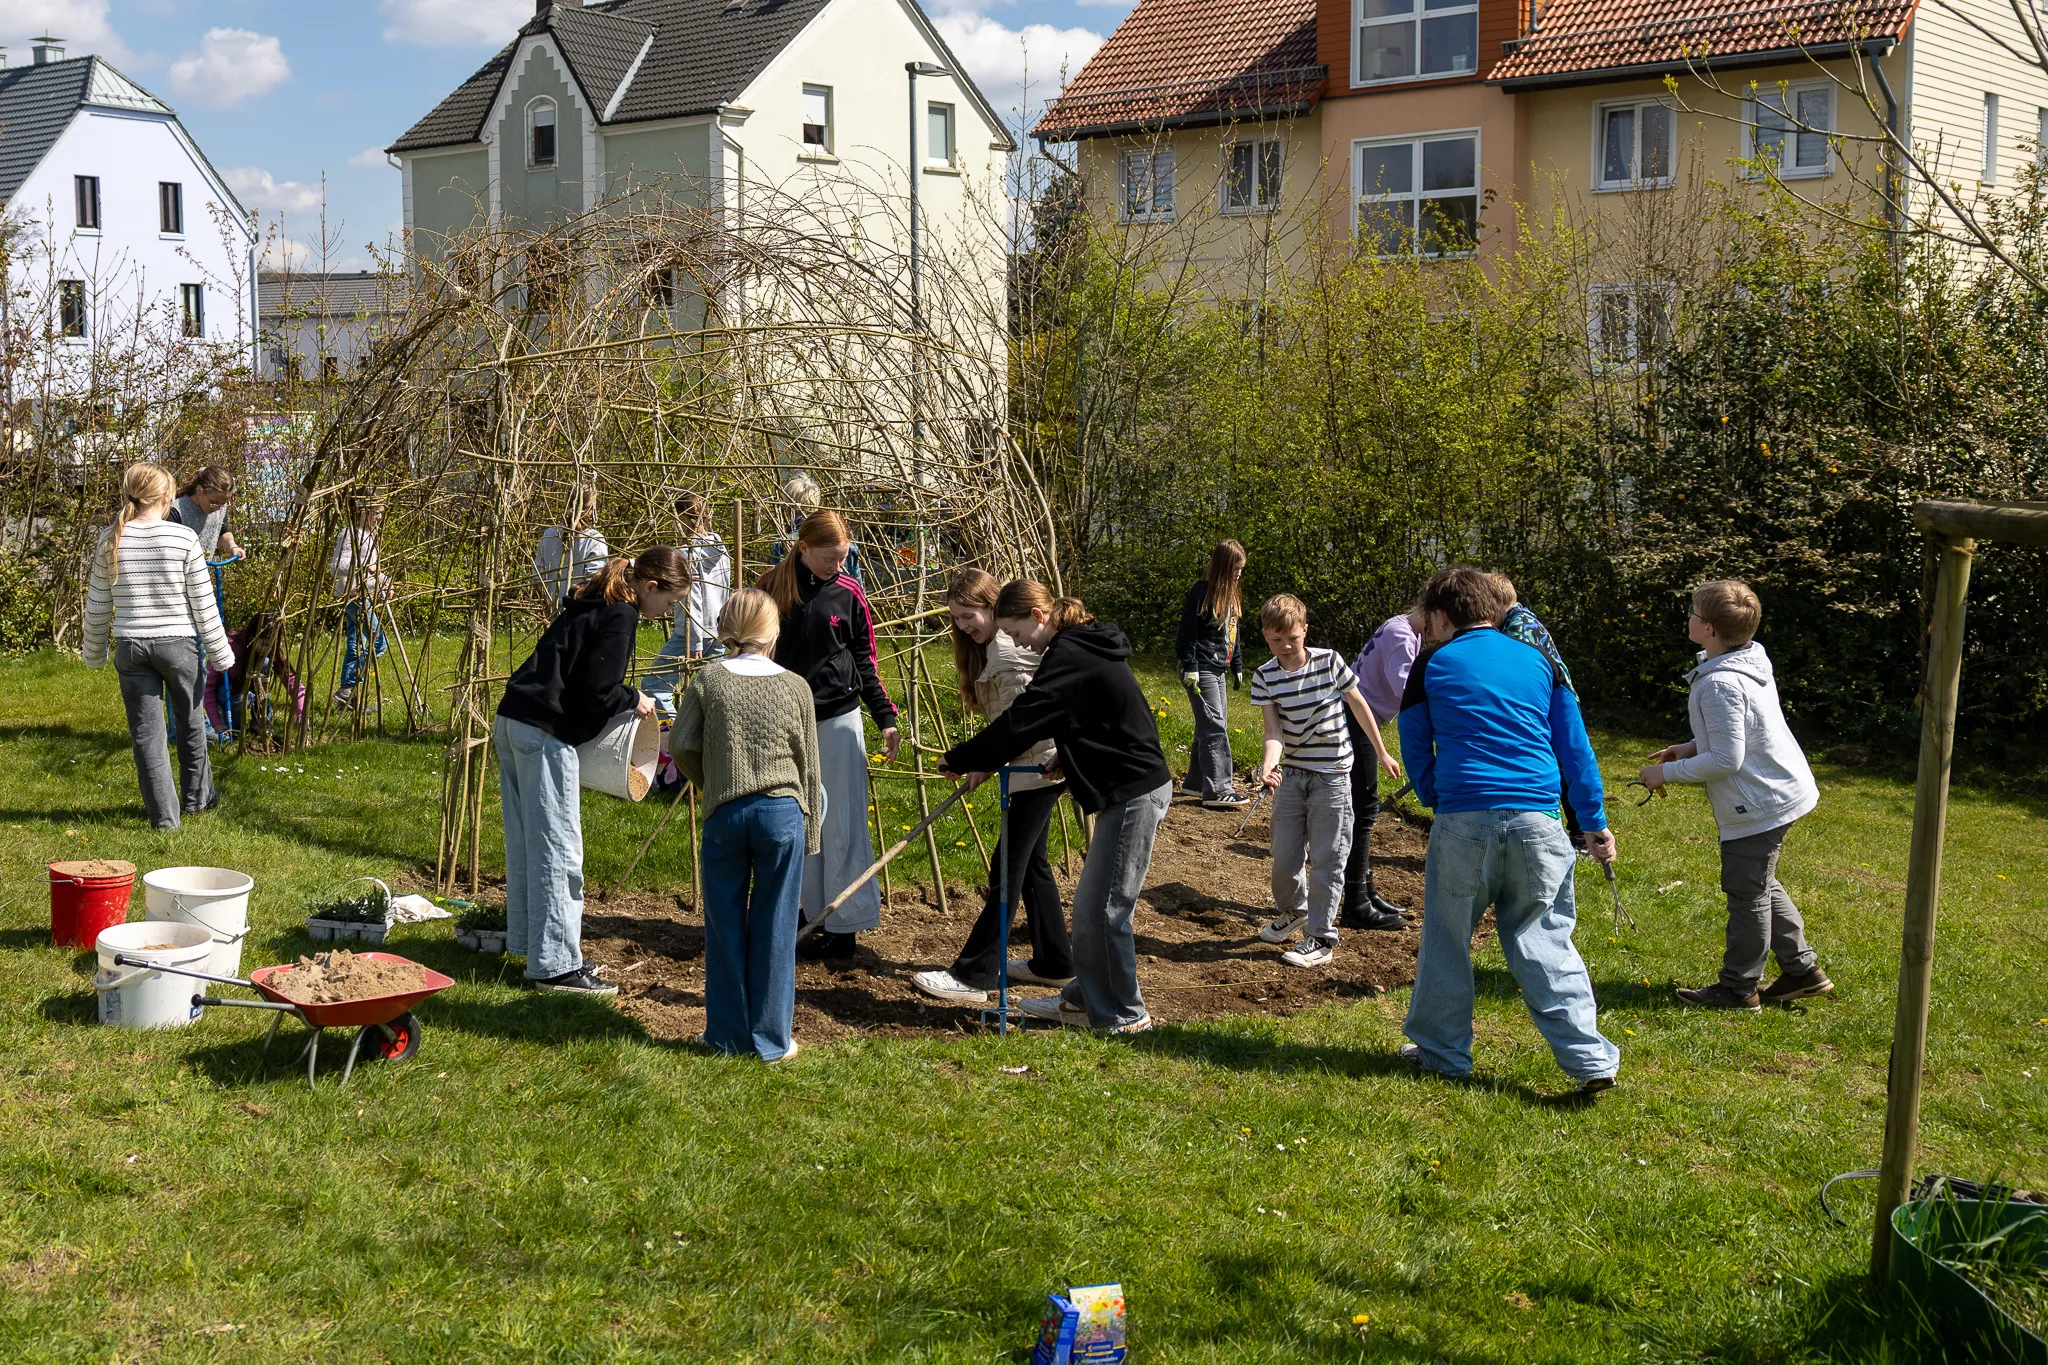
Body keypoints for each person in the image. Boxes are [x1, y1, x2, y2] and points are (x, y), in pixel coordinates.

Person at [1397, 566, 1619, 1094]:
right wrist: (1593, 823)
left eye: (1427, 619)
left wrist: (1436, 798)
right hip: (1539, 823)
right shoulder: (1542, 661)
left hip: (1462, 822)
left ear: (1443, 616)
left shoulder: (1430, 664)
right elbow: (1575, 749)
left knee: (1448, 941)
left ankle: (1441, 1054)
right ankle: (1591, 1060)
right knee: (1546, 941)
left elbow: (1414, 746)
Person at [941, 582, 1172, 1034]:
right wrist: (1067, 753)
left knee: (1103, 911)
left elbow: (1021, 721)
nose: (1018, 641)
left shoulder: (1070, 654)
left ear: (1037, 615)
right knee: (1093, 908)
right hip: (1125, 790)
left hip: (1133, 792)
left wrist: (965, 756)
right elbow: (1098, 713)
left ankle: (1126, 1015)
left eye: (1016, 629)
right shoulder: (1080, 646)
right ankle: (1083, 1000)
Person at [496, 548, 687, 995]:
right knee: (560, 850)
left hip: (513, 718)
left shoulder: (596, 598)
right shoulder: (622, 615)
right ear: (650, 587)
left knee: (527, 841)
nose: (669, 612)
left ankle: (529, 943)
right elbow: (596, 693)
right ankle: (556, 966)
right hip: (543, 728)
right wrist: (632, 699)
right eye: (671, 602)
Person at [1640, 580, 1831, 1009]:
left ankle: (1738, 989)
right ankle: (1803, 972)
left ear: (1708, 628)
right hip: (1781, 789)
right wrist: (1689, 747)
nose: (1687, 616)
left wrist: (1664, 772)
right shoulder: (1746, 659)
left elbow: (1727, 759)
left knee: (1747, 893)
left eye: (1692, 611)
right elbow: (1742, 732)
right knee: (1759, 883)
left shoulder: (1720, 682)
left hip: (1760, 801)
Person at [669, 588, 822, 1061]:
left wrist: (712, 781)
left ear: (723, 629)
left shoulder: (708, 680)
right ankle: (772, 1040)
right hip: (782, 815)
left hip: (726, 813)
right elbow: (809, 766)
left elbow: (680, 745)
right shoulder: (796, 685)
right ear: (773, 632)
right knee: (776, 926)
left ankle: (727, 1036)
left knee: (723, 926)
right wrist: (810, 829)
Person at [912, 569, 1074, 1005]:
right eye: (957, 618)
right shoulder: (990, 650)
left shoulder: (1004, 652)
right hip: (1032, 767)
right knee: (1032, 866)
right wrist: (989, 760)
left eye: (970, 615)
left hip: (1038, 769)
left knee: (1006, 868)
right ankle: (1055, 963)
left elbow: (1024, 726)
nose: (964, 625)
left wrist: (983, 758)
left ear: (993, 607)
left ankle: (976, 974)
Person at [760, 509, 900, 959]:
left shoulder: (848, 591)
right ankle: (803, 910)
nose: (836, 566)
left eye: (842, 558)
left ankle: (845, 921)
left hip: (839, 718)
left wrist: (886, 717)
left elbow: (865, 657)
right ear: (802, 548)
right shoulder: (770, 589)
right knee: (794, 819)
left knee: (842, 820)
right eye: (828, 558)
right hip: (785, 720)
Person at [1249, 594, 1401, 968]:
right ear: (1266, 636)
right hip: (1293, 775)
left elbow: (1359, 706)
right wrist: (1269, 766)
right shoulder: (1264, 676)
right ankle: (1295, 909)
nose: (1285, 646)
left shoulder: (1330, 661)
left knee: (1327, 858)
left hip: (1332, 775)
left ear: (1305, 630)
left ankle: (1320, 937)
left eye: (1292, 638)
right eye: (1275, 639)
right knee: (1283, 857)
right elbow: (1274, 732)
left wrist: (1381, 752)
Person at [80, 463, 235, 830]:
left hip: (131, 648)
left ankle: (166, 821)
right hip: (178, 646)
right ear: (167, 498)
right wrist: (220, 653)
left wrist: (94, 652)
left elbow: (98, 604)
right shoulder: (183, 540)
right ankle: (196, 803)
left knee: (147, 736)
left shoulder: (110, 539)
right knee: (191, 725)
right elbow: (203, 603)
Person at [1342, 601, 1425, 929]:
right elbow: (1407, 694)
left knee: (1363, 807)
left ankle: (1365, 887)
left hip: (1360, 715)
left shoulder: (1405, 627)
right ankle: (1355, 902)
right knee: (1364, 808)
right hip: (1354, 717)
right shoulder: (1404, 638)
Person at [1174, 539, 1248, 810]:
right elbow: (1186, 633)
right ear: (1223, 566)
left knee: (1210, 723)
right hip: (1200, 667)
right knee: (1214, 725)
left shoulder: (1232, 595)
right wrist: (1190, 665)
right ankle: (1219, 789)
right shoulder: (1201, 592)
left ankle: (1195, 782)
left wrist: (1237, 665)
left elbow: (1233, 635)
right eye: (1235, 568)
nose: (1239, 574)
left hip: (1218, 668)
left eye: (1242, 569)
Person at [645, 493, 728, 713]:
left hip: (691, 632)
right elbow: (725, 589)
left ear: (682, 518)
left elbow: (694, 597)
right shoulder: (721, 549)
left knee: (654, 686)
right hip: (718, 629)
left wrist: (695, 642)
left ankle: (671, 733)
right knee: (709, 690)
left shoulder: (686, 553)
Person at [330, 501, 389, 708]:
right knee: (379, 643)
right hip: (355, 597)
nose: (379, 518)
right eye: (376, 513)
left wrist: (386, 583)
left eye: (381, 514)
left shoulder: (370, 535)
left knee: (356, 647)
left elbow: (373, 570)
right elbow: (337, 566)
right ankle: (348, 688)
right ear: (363, 512)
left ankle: (347, 696)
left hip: (367, 596)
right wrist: (367, 567)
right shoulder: (349, 534)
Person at [770, 474, 861, 585]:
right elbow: (858, 587)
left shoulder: (781, 544)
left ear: (788, 508)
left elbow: (777, 585)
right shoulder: (845, 545)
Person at [534, 485, 610, 607]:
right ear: (591, 507)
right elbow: (595, 583)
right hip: (580, 613)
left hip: (553, 610)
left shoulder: (549, 534)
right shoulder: (594, 540)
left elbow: (538, 575)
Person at [168, 466, 242, 560]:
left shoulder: (219, 508)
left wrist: (232, 546)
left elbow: (223, 532)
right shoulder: (176, 511)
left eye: (223, 503)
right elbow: (168, 546)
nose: (218, 507)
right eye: (214, 502)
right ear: (200, 491)